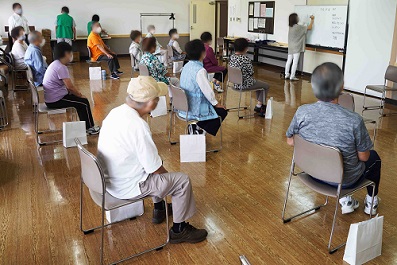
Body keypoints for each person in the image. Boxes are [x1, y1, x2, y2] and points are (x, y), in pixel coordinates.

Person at [97, 76, 208, 243]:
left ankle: (159, 208)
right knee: (181, 181)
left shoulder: (115, 112)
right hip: (127, 187)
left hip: (110, 181)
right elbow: (154, 168)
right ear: (150, 103)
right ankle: (179, 230)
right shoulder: (138, 125)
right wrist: (169, 181)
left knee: (155, 163)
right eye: (157, 99)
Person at [286, 62, 381, 215]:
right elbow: (364, 157)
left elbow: (291, 141)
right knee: (374, 158)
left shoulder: (302, 112)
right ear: (341, 87)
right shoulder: (354, 120)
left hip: (310, 172)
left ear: (313, 86)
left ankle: (346, 200)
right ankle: (371, 201)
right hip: (343, 181)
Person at [43, 42, 99, 135]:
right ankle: (89, 128)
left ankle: (86, 126)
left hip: (52, 97)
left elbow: (68, 87)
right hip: (56, 100)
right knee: (83, 102)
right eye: (70, 53)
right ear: (66, 54)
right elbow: (70, 87)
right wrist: (80, 95)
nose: (71, 55)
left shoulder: (55, 64)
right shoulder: (61, 67)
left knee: (80, 101)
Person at [178, 39, 228, 136]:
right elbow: (207, 91)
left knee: (215, 110)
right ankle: (198, 129)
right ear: (203, 53)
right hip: (195, 108)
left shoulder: (186, 66)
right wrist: (216, 103)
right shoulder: (200, 70)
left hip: (183, 107)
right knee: (222, 111)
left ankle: (196, 127)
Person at [228, 38, 269, 117]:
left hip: (235, 84)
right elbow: (251, 72)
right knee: (265, 86)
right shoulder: (245, 59)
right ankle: (259, 105)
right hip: (245, 84)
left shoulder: (232, 57)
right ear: (245, 48)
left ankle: (259, 104)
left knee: (259, 85)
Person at [285, 13, 314, 81]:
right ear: (295, 19)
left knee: (289, 61)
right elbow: (309, 27)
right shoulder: (298, 27)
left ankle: (287, 74)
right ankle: (292, 76)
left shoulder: (291, 26)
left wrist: (304, 25)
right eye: (297, 17)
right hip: (296, 47)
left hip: (291, 47)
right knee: (295, 62)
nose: (298, 18)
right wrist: (312, 20)